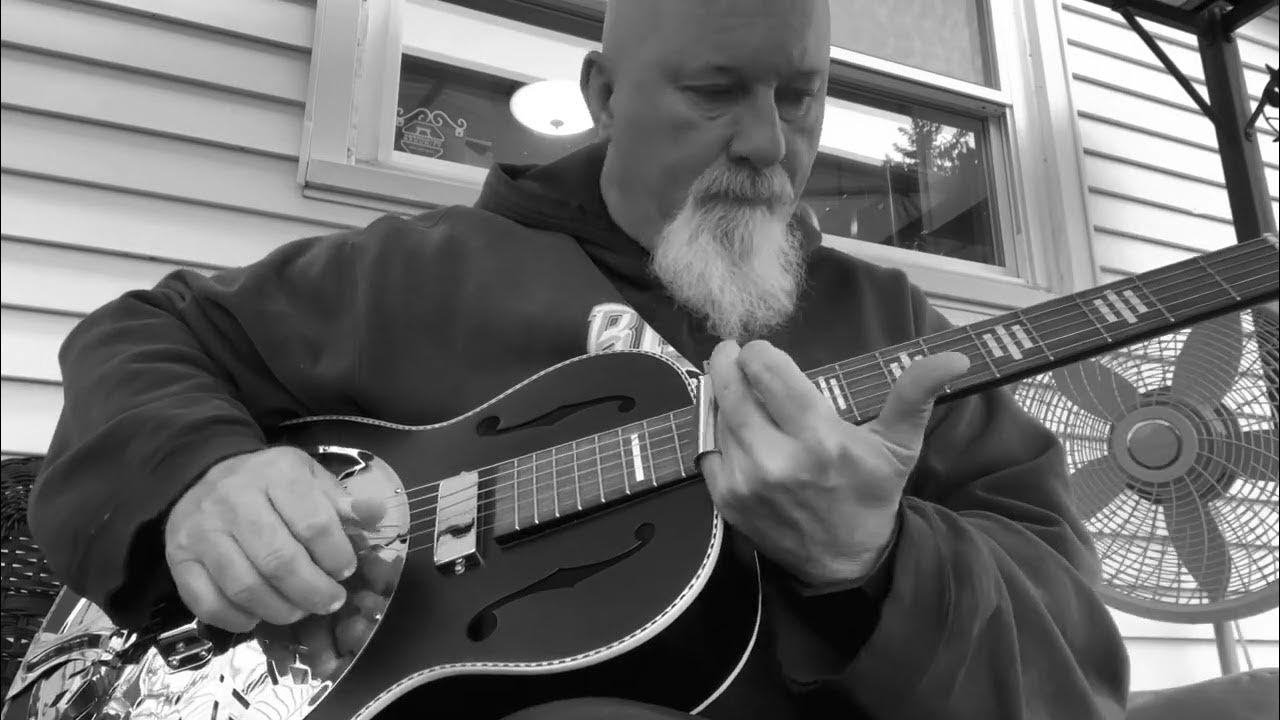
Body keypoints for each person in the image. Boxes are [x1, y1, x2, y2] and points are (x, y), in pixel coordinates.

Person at [28, 0, 1130, 717]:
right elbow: (145, 334)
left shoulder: (893, 324)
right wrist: (202, 479)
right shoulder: (418, 273)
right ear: (603, 95)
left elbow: (1072, 663)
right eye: (714, 93)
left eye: (799, 96)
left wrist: (877, 562)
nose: (766, 142)